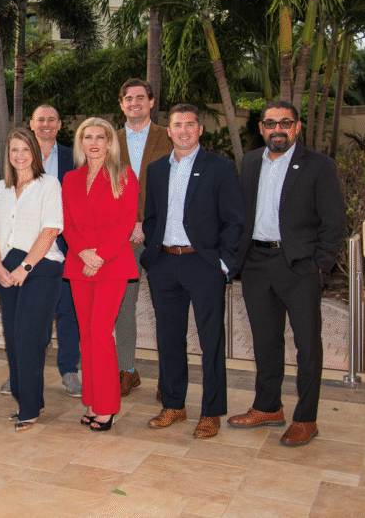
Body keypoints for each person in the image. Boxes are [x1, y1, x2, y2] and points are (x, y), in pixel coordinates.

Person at [227, 101, 346, 446]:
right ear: (261, 128)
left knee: (307, 345)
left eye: (285, 123)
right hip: (256, 265)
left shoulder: (319, 166)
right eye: (270, 123)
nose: (277, 129)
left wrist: (320, 264)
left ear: (297, 127)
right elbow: (241, 214)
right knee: (264, 340)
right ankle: (267, 407)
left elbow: (334, 222)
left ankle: (306, 418)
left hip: (299, 265)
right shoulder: (249, 162)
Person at [141, 105, 243, 440]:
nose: (183, 130)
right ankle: (174, 405)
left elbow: (234, 221)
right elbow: (152, 217)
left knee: (210, 340)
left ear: (200, 129)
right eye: (176, 125)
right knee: (169, 338)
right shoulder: (156, 170)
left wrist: (223, 264)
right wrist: (152, 257)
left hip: (203, 264)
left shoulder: (220, 167)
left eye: (189, 124)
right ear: (167, 131)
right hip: (165, 264)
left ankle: (211, 412)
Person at [62, 118, 138, 432]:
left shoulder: (125, 175)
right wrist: (83, 252)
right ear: (80, 143)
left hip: (113, 264)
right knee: (86, 335)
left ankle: (107, 407)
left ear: (110, 142)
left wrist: (100, 255)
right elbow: (67, 222)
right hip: (80, 265)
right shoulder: (70, 178)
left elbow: (126, 222)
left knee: (101, 332)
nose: (94, 143)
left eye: (100, 137)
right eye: (87, 137)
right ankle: (92, 401)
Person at [0, 128, 64, 432]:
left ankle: (30, 409)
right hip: (5, 269)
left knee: (29, 339)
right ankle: (27, 399)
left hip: (40, 270)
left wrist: (25, 267)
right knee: (14, 339)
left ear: (36, 152)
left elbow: (51, 230)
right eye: (14, 150)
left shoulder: (49, 185)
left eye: (25, 150)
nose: (19, 156)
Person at [114, 79, 172, 396]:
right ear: (121, 104)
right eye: (128, 99)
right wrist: (130, 221)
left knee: (167, 307)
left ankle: (170, 376)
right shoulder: (111, 140)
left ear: (151, 101)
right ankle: (128, 370)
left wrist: (146, 221)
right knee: (125, 306)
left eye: (140, 98)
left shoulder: (170, 136)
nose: (134, 103)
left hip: (163, 234)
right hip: (125, 237)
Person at [31, 104, 78, 397]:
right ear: (32, 124)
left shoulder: (74, 157)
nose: (46, 124)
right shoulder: (20, 155)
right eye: (41, 120)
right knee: (32, 314)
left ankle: (70, 370)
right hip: (29, 247)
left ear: (60, 125)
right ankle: (24, 371)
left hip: (66, 243)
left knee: (67, 311)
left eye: (51, 120)